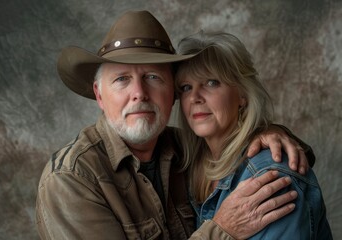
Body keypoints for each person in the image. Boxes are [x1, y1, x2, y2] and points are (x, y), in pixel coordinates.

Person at [35, 11, 315, 239]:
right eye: (121, 79)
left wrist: (270, 133)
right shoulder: (72, 179)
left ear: (172, 95)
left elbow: (256, 154)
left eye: (153, 77)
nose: (140, 93)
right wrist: (221, 230)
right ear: (99, 94)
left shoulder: (188, 150)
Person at [175, 30, 332, 239]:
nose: (195, 97)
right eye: (186, 87)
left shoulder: (270, 176)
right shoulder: (185, 161)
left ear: (242, 95)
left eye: (211, 82)